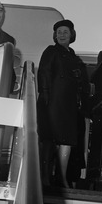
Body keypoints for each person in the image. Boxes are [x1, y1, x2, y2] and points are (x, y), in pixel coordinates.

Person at [37, 19, 90, 188]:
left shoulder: (75, 58)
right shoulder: (51, 51)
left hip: (69, 106)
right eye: (59, 32)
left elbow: (82, 83)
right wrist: (45, 96)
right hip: (52, 102)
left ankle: (62, 178)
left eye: (65, 32)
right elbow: (44, 72)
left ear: (71, 35)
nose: (61, 35)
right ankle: (44, 178)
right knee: (48, 139)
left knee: (67, 140)